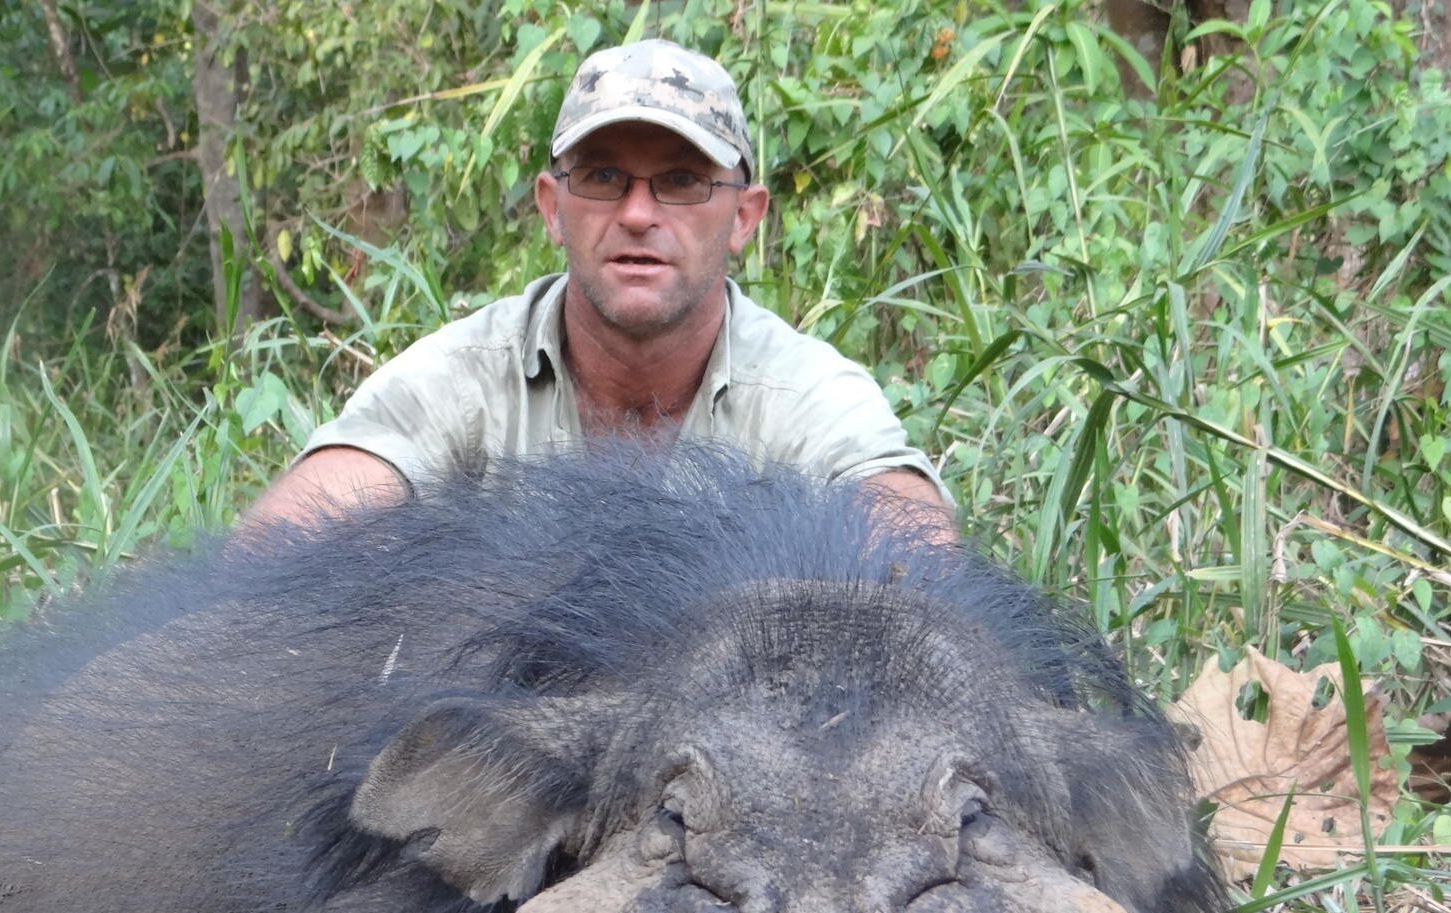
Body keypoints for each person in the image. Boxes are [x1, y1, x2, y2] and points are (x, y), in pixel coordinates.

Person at [242, 39, 953, 542]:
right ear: (553, 207)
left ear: (744, 217)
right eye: (603, 178)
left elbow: (909, 539)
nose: (638, 214)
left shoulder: (804, 394)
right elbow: (297, 531)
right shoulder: (467, 373)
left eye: (681, 180)